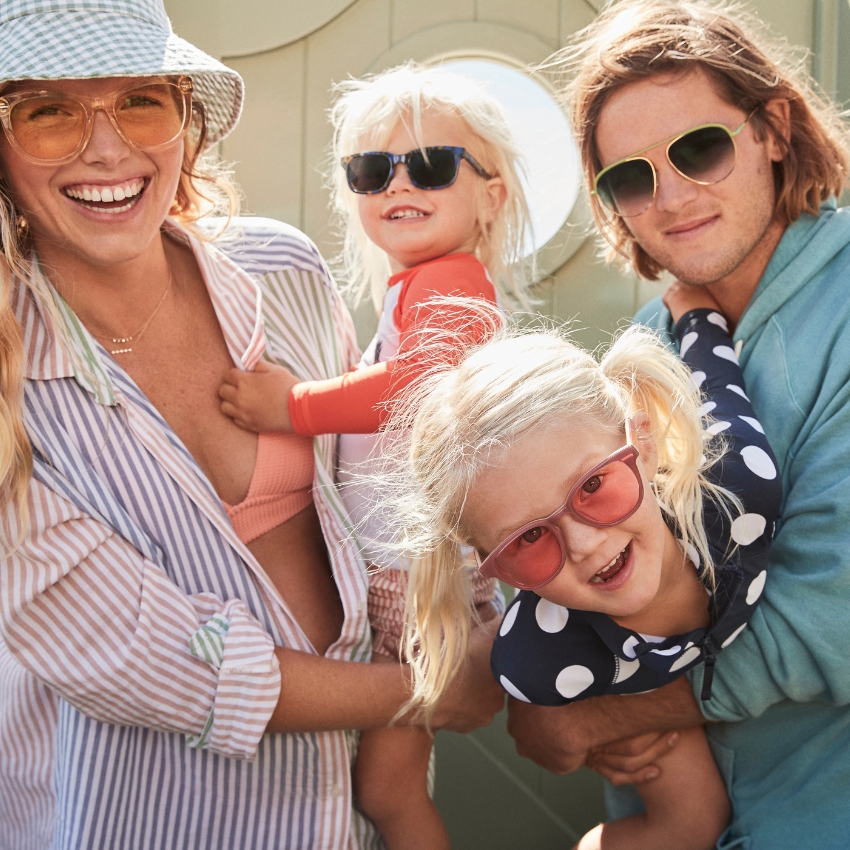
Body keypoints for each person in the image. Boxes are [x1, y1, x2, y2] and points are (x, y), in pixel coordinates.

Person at [0, 3, 504, 849]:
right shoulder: (11, 387)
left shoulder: (284, 270)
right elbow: (147, 659)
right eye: (46, 112)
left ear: (185, 123)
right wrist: (429, 688)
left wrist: (486, 625)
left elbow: (382, 480)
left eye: (141, 102)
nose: (108, 149)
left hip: (343, 817)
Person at [505, 2, 850, 847]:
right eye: (629, 176)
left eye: (700, 149)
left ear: (774, 128)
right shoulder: (641, 351)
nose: (671, 196)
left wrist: (594, 711)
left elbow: (832, 619)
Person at [218, 63, 532, 850]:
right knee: (384, 786)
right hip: (401, 570)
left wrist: (291, 404)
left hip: (415, 577)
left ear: (492, 194)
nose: (398, 184)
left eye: (429, 165)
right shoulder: (415, 287)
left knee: (388, 790)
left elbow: (416, 385)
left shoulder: (455, 283)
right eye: (370, 171)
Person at [374, 287, 779, 849]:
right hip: (628, 677)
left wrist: (695, 312)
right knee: (690, 825)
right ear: (495, 570)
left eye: (593, 485)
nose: (587, 543)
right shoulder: (542, 656)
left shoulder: (740, 495)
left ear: (642, 441)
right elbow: (479, 672)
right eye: (530, 538)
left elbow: (715, 381)